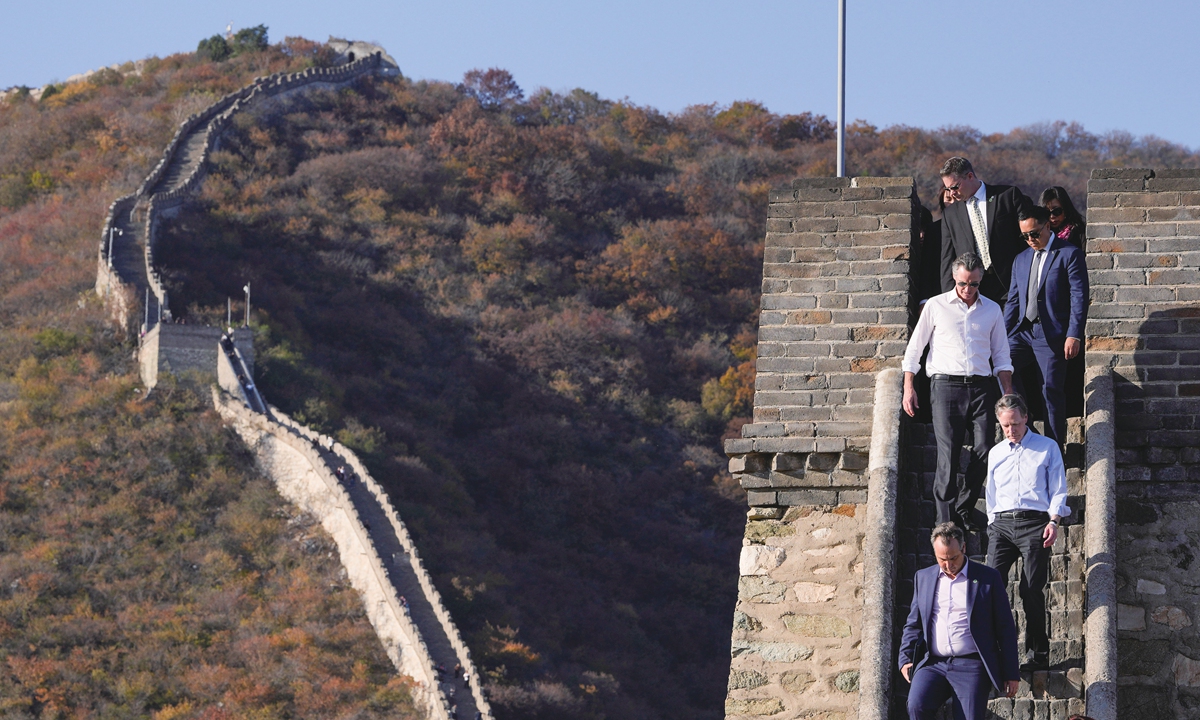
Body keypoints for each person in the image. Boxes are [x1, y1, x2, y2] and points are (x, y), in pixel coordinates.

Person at [903, 253, 1014, 531]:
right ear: (955, 278)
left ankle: (964, 506)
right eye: (964, 283)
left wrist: (1008, 396)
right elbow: (915, 349)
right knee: (948, 453)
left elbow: (1001, 356)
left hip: (981, 386)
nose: (968, 290)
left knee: (986, 448)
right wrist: (909, 387)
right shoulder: (936, 306)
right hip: (945, 386)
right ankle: (944, 519)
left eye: (974, 284)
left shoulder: (991, 310)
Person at [899, 523, 1020, 720]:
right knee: (916, 705)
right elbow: (913, 623)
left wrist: (1011, 673)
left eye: (953, 558)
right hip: (933, 663)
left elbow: (1005, 627)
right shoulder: (923, 578)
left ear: (963, 548)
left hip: (971, 664)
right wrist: (905, 658)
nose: (948, 565)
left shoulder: (988, 578)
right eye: (942, 560)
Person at [986, 394, 1070, 672]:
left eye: (1015, 424)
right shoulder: (996, 452)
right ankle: (992, 650)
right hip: (1002, 524)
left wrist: (1054, 521)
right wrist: (992, 522)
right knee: (989, 586)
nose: (1011, 431)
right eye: (1005, 426)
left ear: (1026, 418)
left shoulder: (1047, 447)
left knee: (1030, 589)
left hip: (1036, 523)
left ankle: (1038, 652)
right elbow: (991, 493)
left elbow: (1058, 487)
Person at [1004, 205, 1088, 445]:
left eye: (1034, 233)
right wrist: (998, 336)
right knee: (1002, 367)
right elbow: (1012, 301)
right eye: (1025, 236)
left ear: (1048, 226)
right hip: (1021, 331)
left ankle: (1053, 448)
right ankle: (1027, 433)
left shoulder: (1069, 254)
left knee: (1050, 390)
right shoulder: (1020, 259)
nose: (1030, 239)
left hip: (1050, 331)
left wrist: (1074, 334)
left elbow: (1079, 297)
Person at [938, 157, 1030, 305]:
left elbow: (1026, 241)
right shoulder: (951, 214)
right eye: (947, 189)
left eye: (955, 187)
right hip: (973, 290)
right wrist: (949, 301)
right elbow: (947, 259)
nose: (952, 193)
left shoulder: (1007, 196)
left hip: (1012, 284)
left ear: (970, 176)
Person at [1040, 186, 1087, 419]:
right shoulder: (1040, 238)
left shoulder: (1077, 233)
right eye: (1047, 212)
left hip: (1070, 306)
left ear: (1066, 209)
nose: (1052, 217)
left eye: (1057, 210)